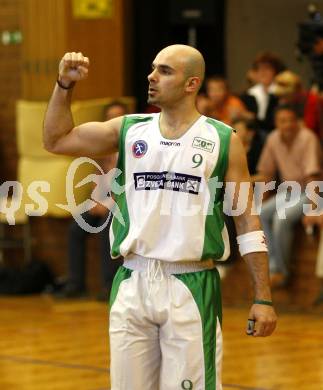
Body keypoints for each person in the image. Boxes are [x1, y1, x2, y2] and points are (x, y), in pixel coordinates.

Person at [43, 45, 277, 390]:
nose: (152, 76)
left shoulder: (223, 139)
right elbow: (56, 140)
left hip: (190, 284)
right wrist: (64, 86)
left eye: (165, 71)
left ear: (191, 84)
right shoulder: (128, 129)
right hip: (132, 280)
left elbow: (246, 221)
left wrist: (263, 298)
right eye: (153, 68)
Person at [58, 102, 127, 300]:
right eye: (110, 117)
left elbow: (130, 184)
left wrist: (109, 204)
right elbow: (97, 180)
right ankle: (76, 283)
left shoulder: (132, 147)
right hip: (104, 203)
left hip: (124, 204)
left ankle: (109, 286)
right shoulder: (102, 148)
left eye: (119, 117)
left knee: (107, 228)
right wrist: (97, 202)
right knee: (76, 227)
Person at [256, 104, 322, 288]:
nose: (287, 125)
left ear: (297, 121)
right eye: (282, 121)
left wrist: (314, 209)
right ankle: (272, 267)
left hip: (311, 191)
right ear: (276, 123)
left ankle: (282, 273)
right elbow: (266, 174)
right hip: (288, 191)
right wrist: (259, 201)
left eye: (291, 120)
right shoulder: (273, 138)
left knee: (281, 218)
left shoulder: (308, 138)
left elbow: (313, 177)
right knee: (260, 213)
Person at [241, 51, 286, 133]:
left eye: (267, 68)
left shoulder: (282, 92)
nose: (262, 72)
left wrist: (252, 118)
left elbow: (271, 123)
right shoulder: (249, 94)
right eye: (259, 69)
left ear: (275, 71)